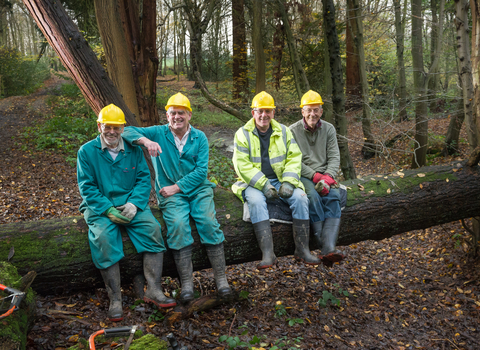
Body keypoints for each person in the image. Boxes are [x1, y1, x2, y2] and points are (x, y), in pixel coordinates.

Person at [122, 93, 232, 304]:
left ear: (189, 115)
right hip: (170, 195)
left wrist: (177, 187)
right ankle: (187, 284)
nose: (177, 117)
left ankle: (222, 280)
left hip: (198, 190)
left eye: (181, 112)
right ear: (167, 115)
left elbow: (201, 172)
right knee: (179, 225)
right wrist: (146, 141)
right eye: (173, 113)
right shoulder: (158, 132)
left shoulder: (199, 137)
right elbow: (126, 130)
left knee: (208, 222)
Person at [77, 104, 176, 322]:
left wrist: (134, 204)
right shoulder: (86, 152)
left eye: (117, 127)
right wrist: (106, 209)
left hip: (131, 204)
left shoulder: (133, 149)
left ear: (123, 128)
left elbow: (143, 178)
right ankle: (115, 299)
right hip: (99, 207)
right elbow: (86, 186)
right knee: (103, 238)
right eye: (107, 126)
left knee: (152, 229)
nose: (112, 131)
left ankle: (154, 289)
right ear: (99, 126)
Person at [232, 91, 320, 269]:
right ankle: (268, 253)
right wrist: (264, 185)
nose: (263, 115)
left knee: (301, 198)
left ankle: (302, 250)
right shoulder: (242, 134)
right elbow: (242, 165)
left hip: (281, 179)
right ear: (253, 113)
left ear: (273, 113)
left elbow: (294, 158)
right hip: (253, 183)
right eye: (259, 111)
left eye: (267, 111)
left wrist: (288, 182)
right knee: (255, 201)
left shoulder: (284, 131)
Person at [289, 90, 344, 265]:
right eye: (308, 110)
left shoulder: (329, 129)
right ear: (302, 111)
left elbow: (335, 156)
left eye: (316, 110)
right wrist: (314, 176)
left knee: (334, 196)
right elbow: (293, 161)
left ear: (321, 111)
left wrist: (328, 176)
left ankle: (328, 248)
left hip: (326, 174)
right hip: (304, 175)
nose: (312, 114)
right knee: (312, 197)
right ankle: (322, 243)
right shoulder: (292, 131)